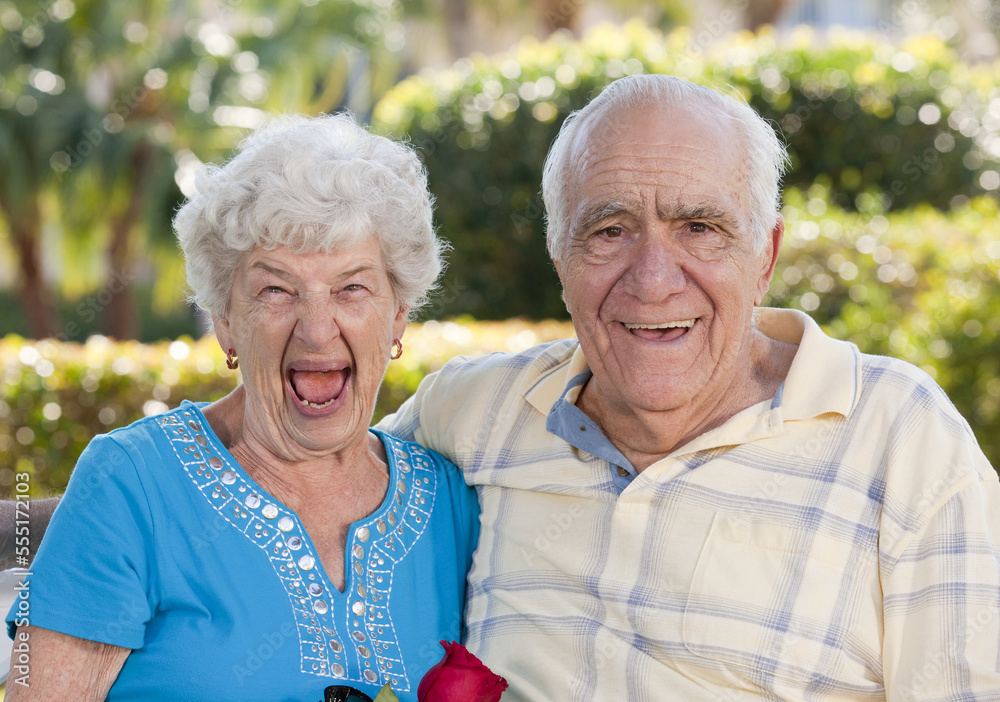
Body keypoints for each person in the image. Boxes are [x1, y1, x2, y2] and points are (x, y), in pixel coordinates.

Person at [377, 74, 1000, 699]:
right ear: (559, 256)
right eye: (609, 230)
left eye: (700, 227)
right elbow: (305, 503)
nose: (652, 281)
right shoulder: (468, 413)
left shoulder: (901, 439)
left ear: (765, 256)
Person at [5, 114, 480, 701]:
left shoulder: (453, 506)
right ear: (226, 323)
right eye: (275, 290)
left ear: (399, 314)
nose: (316, 329)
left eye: (351, 288)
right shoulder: (132, 484)